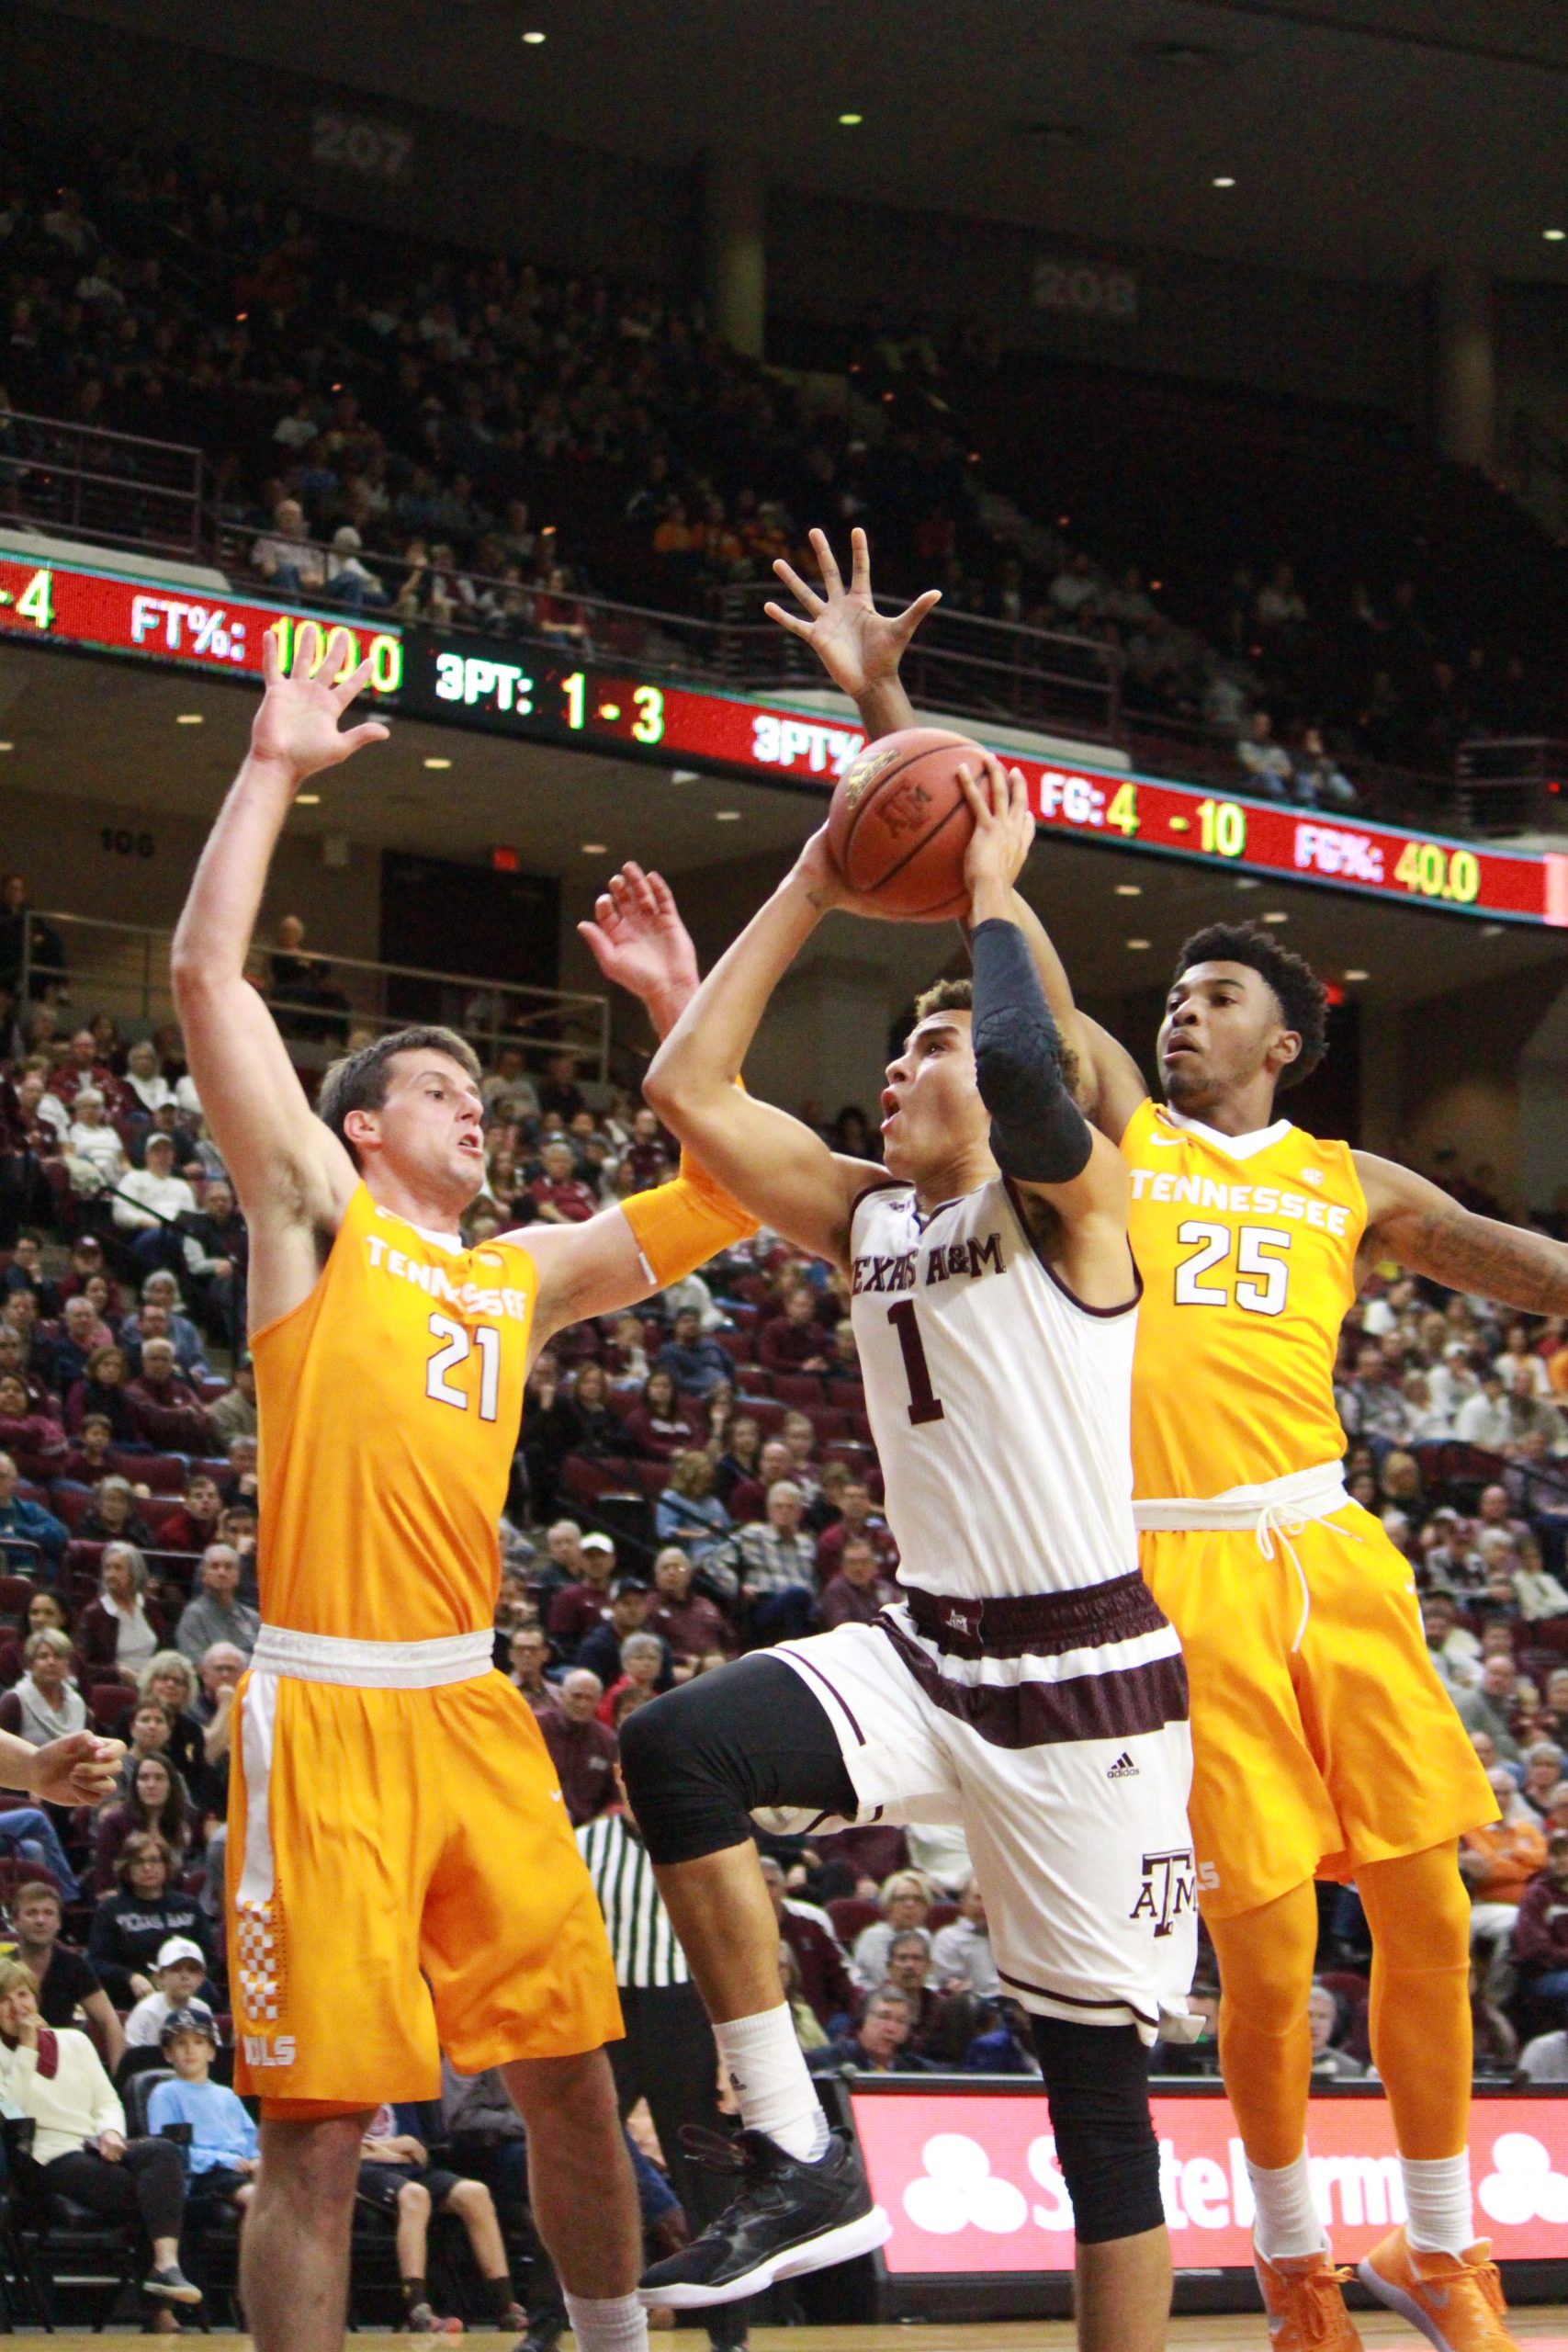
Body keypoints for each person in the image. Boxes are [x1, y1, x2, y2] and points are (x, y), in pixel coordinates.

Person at [796, 522, 1568, 2349]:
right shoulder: (1120, 1143)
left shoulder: (1342, 1174)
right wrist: (891, 710)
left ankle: (1438, 2239)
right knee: (1264, 1938)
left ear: (1288, 1040)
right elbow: (1021, 957)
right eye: (1179, 993)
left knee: (1428, 1902)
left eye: (1219, 994)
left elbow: (1520, 1265)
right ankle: (1296, 2259)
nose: (1182, 1005)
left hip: (1330, 1548)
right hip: (1173, 1559)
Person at [168, 619, 758, 2352]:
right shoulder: (313, 1219)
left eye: (482, 1091)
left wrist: (674, 1004)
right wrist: (270, 769)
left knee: (576, 2077)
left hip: (470, 1713)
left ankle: (616, 2344)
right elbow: (210, 983)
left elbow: (719, 1202)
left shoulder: (514, 1276)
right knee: (322, 2129)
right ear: (361, 1126)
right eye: (442, 1088)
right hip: (331, 1709)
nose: (476, 1109)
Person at [604, 756, 1197, 2349]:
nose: (896, 1070)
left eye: (920, 1043)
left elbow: (1018, 1057)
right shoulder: (867, 1214)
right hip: (929, 1653)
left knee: (1098, 2113)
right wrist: (809, 873)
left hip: (1088, 1693)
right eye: (891, 1048)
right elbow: (688, 1091)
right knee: (671, 1749)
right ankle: (795, 2148)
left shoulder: (1075, 1204)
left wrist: (993, 885)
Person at [578, 1780, 750, 2352]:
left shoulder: (696, 1832)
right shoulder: (584, 1842)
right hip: (609, 2008)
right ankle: (550, 2325)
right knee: (580, 2158)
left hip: (682, 2007)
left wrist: (729, 2050)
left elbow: (729, 1934)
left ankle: (730, 2335)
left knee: (706, 2173)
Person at [0, 1957, 202, 2306]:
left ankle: (166, 2266)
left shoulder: (75, 2043)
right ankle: (159, 2305)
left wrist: (110, 2132)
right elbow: (13, 2109)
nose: (18, 2007)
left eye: (23, 1995)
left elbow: (107, 2099)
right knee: (148, 2191)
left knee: (163, 2153)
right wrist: (28, 2047)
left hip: (92, 2145)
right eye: (5, 2000)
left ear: (36, 1997)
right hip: (43, 2155)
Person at [356, 2102, 526, 2335]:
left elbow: (420, 2152)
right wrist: (392, 2148)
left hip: (409, 2169)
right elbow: (340, 2147)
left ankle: (507, 2307)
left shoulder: (404, 2088)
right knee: (416, 2196)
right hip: (360, 2172)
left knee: (475, 2193)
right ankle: (418, 2309)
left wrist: (383, 2149)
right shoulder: (347, 2085)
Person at [148, 2007, 260, 2222]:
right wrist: (225, 2160)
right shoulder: (167, 2094)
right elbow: (176, 2152)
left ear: (211, 2051)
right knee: (257, 2199)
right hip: (203, 2177)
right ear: (168, 2053)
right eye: (181, 2043)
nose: (190, 2050)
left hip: (239, 2171)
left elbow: (250, 2141)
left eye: (199, 2042)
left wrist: (256, 2160)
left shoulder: (227, 2095)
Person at [7, 1878, 125, 2068]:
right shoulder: (3, 1968)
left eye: (48, 1913)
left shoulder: (74, 1966)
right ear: (15, 1920)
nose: (40, 1920)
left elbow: (109, 2021)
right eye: (31, 1913)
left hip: (61, 2066)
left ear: (58, 1922)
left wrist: (118, 2078)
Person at [86, 1830, 209, 2005]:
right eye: (139, 1862)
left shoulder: (189, 1906)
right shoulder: (110, 1910)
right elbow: (97, 1962)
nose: (148, 1868)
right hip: (132, 1996)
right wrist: (130, 1977)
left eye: (155, 1860)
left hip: (186, 1993)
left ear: (166, 1865)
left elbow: (208, 1957)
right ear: (127, 1868)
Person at [538, 1670, 619, 1826]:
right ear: (561, 1696)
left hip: (586, 1831)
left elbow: (614, 1798)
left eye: (590, 1698)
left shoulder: (607, 1741)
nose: (583, 1704)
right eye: (577, 1696)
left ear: (599, 1702)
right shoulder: (536, 1728)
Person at [807, 1986, 935, 2075]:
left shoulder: (915, 2070)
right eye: (884, 2017)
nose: (891, 2028)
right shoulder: (823, 2062)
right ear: (861, 2020)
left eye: (901, 2021)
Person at [123, 1935, 213, 2051]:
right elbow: (138, 2062)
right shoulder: (146, 2012)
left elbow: (213, 2055)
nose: (185, 1976)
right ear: (159, 1977)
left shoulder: (203, 2010)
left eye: (192, 1970)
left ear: (201, 1978)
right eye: (176, 1969)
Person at [175, 1544, 260, 1664]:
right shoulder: (193, 1616)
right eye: (215, 1566)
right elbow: (194, 1662)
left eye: (229, 1567)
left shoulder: (252, 1618)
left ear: (238, 1576)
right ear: (203, 1575)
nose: (222, 1572)